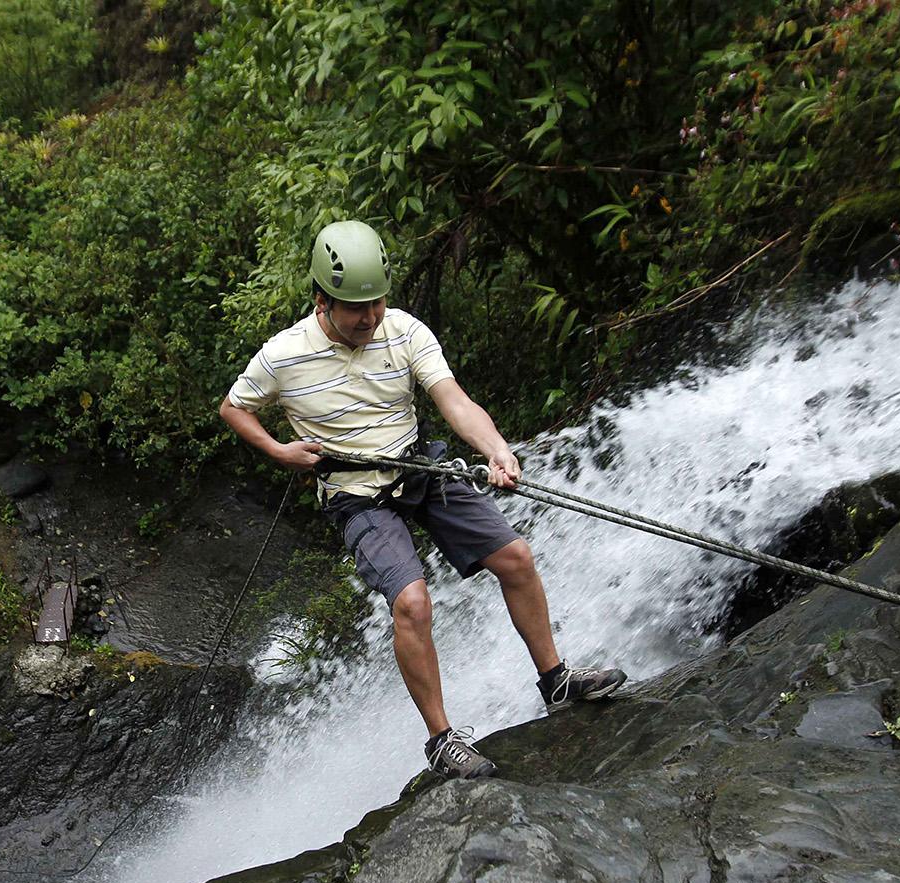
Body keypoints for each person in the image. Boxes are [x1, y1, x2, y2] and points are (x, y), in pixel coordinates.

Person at [220, 220, 627, 779]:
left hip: (419, 466)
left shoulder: (405, 331)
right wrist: (278, 450)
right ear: (321, 300)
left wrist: (497, 451)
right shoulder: (283, 356)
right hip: (357, 494)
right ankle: (442, 740)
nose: (369, 317)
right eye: (354, 308)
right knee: (411, 601)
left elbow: (453, 400)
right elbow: (234, 408)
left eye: (377, 302)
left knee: (516, 558)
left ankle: (556, 680)